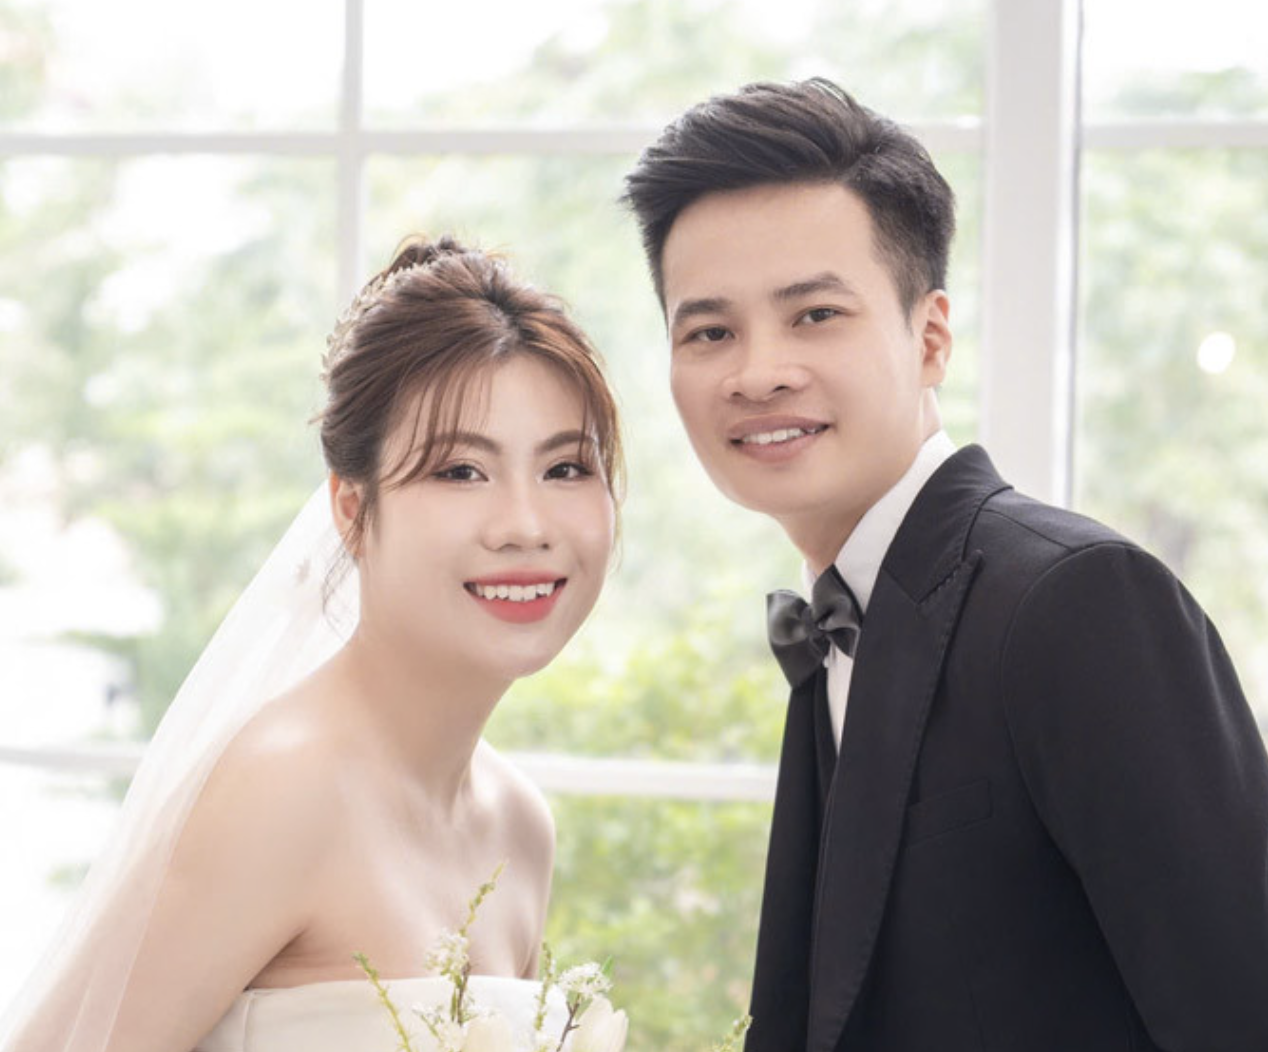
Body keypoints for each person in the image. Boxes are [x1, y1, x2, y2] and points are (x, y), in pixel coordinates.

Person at [622, 78, 1268, 1052]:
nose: (757, 372)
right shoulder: (838, 616)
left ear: (929, 339)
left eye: (814, 315)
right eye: (710, 331)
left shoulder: (1077, 601)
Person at [0, 235, 623, 1052]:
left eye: (566, 468)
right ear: (352, 510)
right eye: (459, 472)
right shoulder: (284, 788)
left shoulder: (519, 826)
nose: (526, 526)